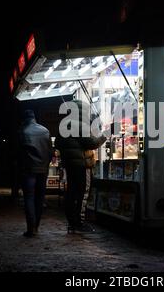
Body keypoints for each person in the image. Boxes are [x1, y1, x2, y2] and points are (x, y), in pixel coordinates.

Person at [55, 100, 106, 233]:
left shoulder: (64, 124)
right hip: (81, 165)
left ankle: (72, 222)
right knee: (82, 193)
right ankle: (79, 223)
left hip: (70, 165)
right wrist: (105, 135)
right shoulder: (79, 125)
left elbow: (58, 144)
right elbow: (92, 143)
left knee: (72, 193)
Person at [18, 109, 53, 237]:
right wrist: (45, 164)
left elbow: (18, 153)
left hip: (28, 169)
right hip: (43, 169)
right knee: (39, 198)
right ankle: (36, 226)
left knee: (29, 198)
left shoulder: (22, 131)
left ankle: (30, 228)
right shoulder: (45, 130)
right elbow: (50, 152)